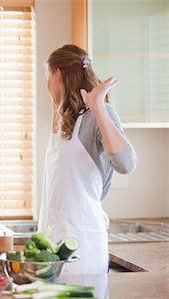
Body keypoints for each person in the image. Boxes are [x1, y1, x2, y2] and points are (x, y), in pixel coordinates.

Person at [38, 44, 137, 274]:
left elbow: (126, 164)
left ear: (57, 74)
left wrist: (99, 107)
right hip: (52, 241)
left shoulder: (98, 114)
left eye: (47, 77)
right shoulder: (65, 117)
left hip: (82, 242)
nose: (46, 85)